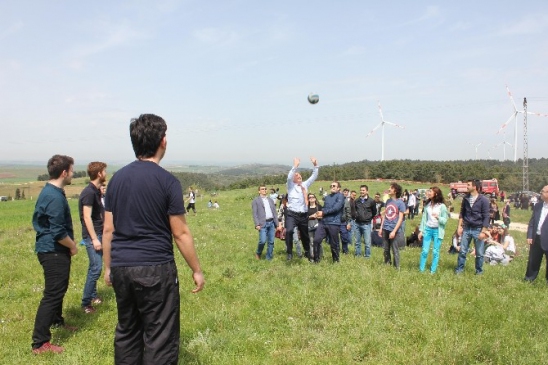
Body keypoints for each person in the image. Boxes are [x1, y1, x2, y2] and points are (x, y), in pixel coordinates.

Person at [102, 114, 205, 364]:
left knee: (127, 331)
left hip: (121, 267)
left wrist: (108, 267)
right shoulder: (168, 181)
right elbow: (180, 232)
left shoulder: (117, 179)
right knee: (160, 337)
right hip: (155, 268)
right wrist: (197, 270)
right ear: (163, 142)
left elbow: (108, 230)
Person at [31, 155, 78, 355]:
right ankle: (40, 342)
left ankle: (57, 321)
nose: (73, 174)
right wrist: (73, 246)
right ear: (64, 172)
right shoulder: (54, 197)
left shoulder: (52, 191)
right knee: (52, 294)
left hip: (52, 249)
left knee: (59, 289)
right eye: (72, 170)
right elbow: (58, 232)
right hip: (53, 251)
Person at [78, 161, 107, 314]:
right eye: (104, 171)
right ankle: (86, 303)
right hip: (93, 236)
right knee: (95, 268)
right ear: (99, 174)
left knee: (96, 266)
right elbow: (87, 217)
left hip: (99, 233)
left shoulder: (96, 191)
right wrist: (94, 239)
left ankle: (94, 295)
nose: (106, 173)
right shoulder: (89, 193)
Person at [284, 157, 319, 260]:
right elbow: (289, 176)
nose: (298, 176)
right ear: (294, 179)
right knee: (289, 231)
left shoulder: (305, 185)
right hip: (292, 214)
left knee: (305, 235)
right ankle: (289, 252)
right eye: (296, 175)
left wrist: (316, 165)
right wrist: (295, 166)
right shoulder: (290, 186)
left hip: (303, 214)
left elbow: (313, 176)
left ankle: (307, 252)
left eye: (299, 175)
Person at [455, 179, 491, 275]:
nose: (466, 186)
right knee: (462, 251)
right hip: (466, 228)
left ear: (474, 187)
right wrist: (459, 226)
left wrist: (483, 232)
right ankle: (459, 270)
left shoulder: (483, 200)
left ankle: (479, 272)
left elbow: (486, 216)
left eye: (468, 185)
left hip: (478, 229)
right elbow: (462, 213)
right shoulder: (465, 198)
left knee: (479, 253)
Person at [418, 187, 449, 274]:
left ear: (436, 194)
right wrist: (421, 231)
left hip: (437, 231)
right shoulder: (427, 205)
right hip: (427, 229)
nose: (428, 192)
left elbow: (445, 220)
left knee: (435, 251)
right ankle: (421, 270)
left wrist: (438, 217)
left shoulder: (442, 206)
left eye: (430, 191)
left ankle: (433, 271)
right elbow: (424, 220)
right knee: (425, 250)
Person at [313, 181, 345, 263]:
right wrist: (320, 213)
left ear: (338, 188)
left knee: (334, 243)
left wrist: (323, 213)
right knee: (316, 239)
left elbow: (336, 208)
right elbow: (324, 207)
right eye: (331, 186)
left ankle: (336, 260)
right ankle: (316, 260)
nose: (332, 187)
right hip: (323, 222)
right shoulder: (327, 197)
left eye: (334, 186)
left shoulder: (340, 196)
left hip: (334, 222)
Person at [524, 186, 548, 283]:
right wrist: (530, 235)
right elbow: (532, 222)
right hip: (536, 238)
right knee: (533, 260)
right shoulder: (538, 205)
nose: (540, 193)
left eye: (543, 191)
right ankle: (529, 278)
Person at [379, 183, 406, 269]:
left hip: (393, 229)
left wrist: (394, 231)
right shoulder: (388, 201)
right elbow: (385, 215)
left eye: (391, 188)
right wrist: (381, 228)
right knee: (386, 249)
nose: (389, 189)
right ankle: (387, 264)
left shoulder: (400, 203)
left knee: (395, 250)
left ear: (395, 191)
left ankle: (397, 267)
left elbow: (400, 219)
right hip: (385, 228)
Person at [252, 185, 281, 260]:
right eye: (262, 189)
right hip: (262, 224)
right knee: (262, 240)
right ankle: (258, 253)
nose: (264, 190)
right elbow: (255, 214)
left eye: (265, 189)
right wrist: (257, 224)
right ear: (259, 191)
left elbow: (274, 213)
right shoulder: (256, 200)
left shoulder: (270, 200)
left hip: (271, 223)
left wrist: (277, 224)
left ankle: (269, 258)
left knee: (271, 241)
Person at [353, 184, 377, 258]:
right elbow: (355, 210)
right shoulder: (357, 201)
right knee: (357, 242)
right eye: (361, 190)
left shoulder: (371, 201)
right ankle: (357, 255)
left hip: (366, 224)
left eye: (363, 190)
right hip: (357, 224)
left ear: (367, 191)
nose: (362, 191)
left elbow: (374, 212)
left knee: (367, 242)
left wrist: (368, 218)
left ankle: (367, 256)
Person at [307, 193, 322, 259]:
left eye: (313, 197)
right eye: (309, 197)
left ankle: (320, 255)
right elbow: (303, 217)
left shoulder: (319, 206)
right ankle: (312, 256)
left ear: (315, 198)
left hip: (318, 224)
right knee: (311, 242)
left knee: (318, 241)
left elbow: (323, 215)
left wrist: (318, 217)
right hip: (309, 225)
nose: (311, 198)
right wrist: (311, 216)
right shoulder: (306, 207)